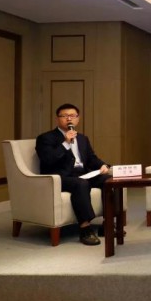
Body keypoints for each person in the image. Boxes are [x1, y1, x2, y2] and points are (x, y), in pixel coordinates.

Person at [35, 103, 111, 246]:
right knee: (81, 184)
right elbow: (48, 159)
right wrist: (65, 143)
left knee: (109, 180)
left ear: (78, 118)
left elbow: (91, 158)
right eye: (64, 116)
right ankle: (85, 229)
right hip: (59, 177)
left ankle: (107, 224)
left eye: (72, 116)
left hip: (82, 173)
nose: (69, 119)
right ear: (57, 119)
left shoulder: (82, 138)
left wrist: (103, 165)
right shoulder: (45, 138)